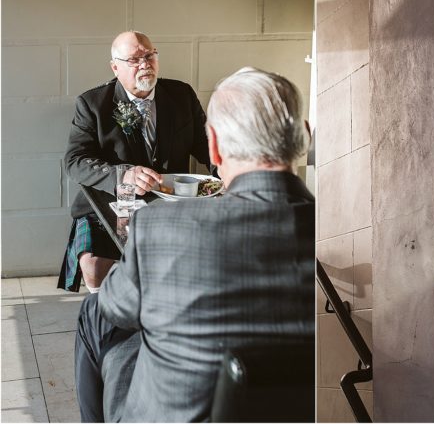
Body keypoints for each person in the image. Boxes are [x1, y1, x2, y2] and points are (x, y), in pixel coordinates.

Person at [73, 67, 314, 422]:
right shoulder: (332, 234)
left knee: (95, 313)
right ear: (304, 137)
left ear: (213, 147)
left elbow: (116, 311)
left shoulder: (157, 227)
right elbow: (76, 160)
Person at [60, 31, 212, 292]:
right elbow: (75, 161)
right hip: (113, 202)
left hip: (172, 202)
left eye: (149, 55)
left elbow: (207, 146)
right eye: (134, 59)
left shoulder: (181, 95)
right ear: (115, 67)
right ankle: (105, 316)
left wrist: (231, 174)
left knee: (197, 259)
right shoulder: (93, 103)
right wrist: (122, 176)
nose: (144, 64)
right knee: (94, 267)